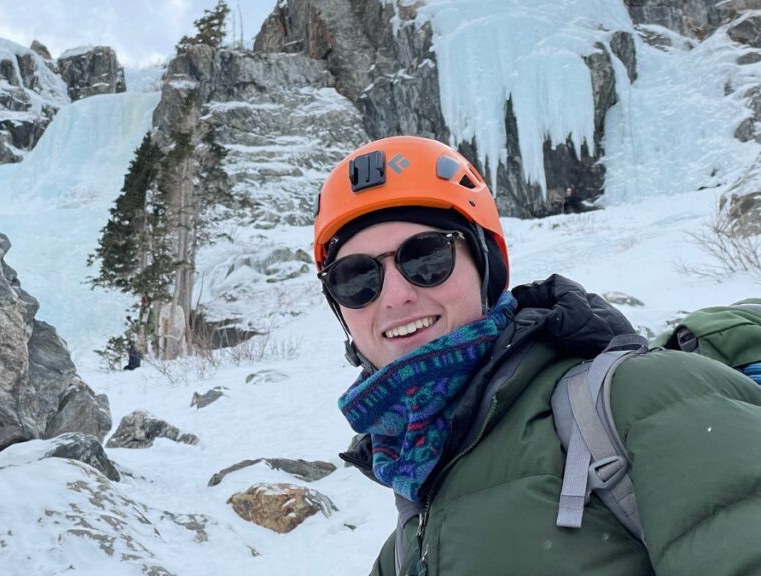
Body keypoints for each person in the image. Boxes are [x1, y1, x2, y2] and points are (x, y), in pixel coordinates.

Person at [312, 136, 761, 575]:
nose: (395, 295)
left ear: (485, 267)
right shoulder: (408, 532)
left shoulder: (639, 401)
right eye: (356, 279)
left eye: (426, 258)